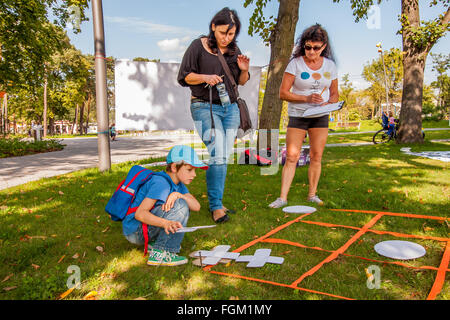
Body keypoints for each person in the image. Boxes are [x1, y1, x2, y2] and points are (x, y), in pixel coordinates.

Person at [177, 7, 250, 223]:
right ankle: (216, 207)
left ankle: (217, 201)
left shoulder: (235, 51)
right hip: (203, 106)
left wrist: (244, 69)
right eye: (222, 33)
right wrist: (205, 77)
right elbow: (184, 77)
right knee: (218, 151)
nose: (226, 38)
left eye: (231, 34)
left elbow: (241, 82)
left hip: (231, 109)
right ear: (213, 27)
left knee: (222, 156)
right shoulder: (197, 46)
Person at [269, 24, 339, 208]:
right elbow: (283, 93)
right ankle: (282, 198)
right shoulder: (295, 63)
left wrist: (329, 103)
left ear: (323, 46)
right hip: (298, 115)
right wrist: (306, 98)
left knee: (316, 156)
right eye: (308, 47)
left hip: (320, 116)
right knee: (292, 156)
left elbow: (334, 94)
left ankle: (312, 195)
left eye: (316, 48)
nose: (311, 51)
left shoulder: (330, 66)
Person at [122, 145, 208, 266]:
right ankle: (162, 253)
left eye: (195, 170)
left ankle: (157, 244)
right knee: (180, 206)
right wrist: (166, 223)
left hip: (143, 229)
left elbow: (196, 206)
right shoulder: (161, 183)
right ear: (174, 167)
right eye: (189, 170)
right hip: (136, 232)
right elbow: (140, 214)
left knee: (182, 201)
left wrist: (179, 195)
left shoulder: (178, 184)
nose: (194, 174)